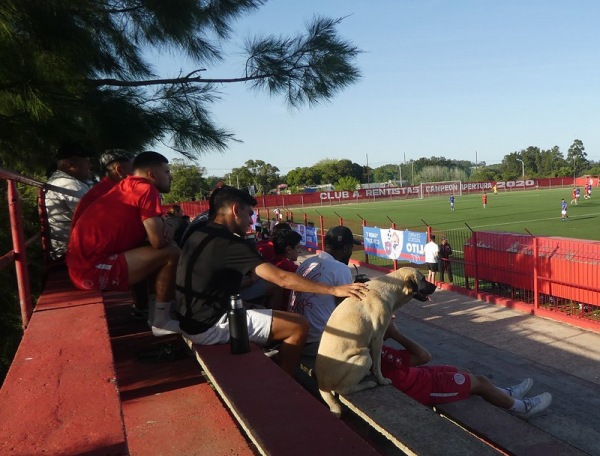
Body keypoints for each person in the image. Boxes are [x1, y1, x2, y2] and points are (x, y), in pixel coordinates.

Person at [174, 188, 367, 376]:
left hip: (191, 319)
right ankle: (285, 386)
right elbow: (281, 278)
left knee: (265, 303)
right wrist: (334, 290)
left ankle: (272, 351)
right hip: (208, 326)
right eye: (249, 214)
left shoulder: (201, 233)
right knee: (298, 326)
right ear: (235, 210)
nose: (251, 221)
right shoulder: (229, 242)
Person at [66, 151, 181, 336]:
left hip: (83, 265)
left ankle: (156, 314)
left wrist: (164, 230)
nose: (171, 177)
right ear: (152, 175)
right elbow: (158, 241)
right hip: (90, 270)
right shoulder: (146, 189)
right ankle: (161, 321)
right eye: (167, 172)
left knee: (157, 250)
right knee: (171, 252)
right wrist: (173, 224)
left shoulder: (127, 186)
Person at [380, 325, 553, 419]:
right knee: (481, 382)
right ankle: (523, 408)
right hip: (424, 388)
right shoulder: (380, 352)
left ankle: (507, 394)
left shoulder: (374, 348)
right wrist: (395, 333)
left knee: (462, 372)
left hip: (418, 376)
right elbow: (424, 356)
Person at [288, 225, 361, 356]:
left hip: (295, 336)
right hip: (319, 341)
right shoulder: (340, 268)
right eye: (351, 248)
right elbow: (348, 309)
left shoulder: (306, 263)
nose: (351, 252)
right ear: (345, 248)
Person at [45, 143, 93, 260]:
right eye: (87, 161)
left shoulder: (62, 181)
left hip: (69, 249)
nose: (90, 165)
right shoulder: (67, 184)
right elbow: (95, 218)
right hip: (73, 253)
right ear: (71, 164)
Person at [71, 149, 135, 228]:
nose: (137, 174)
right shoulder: (113, 193)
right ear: (120, 170)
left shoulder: (99, 190)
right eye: (134, 169)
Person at [268, 229, 303, 310]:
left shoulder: (268, 263)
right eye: (298, 247)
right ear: (289, 249)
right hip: (286, 312)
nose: (300, 251)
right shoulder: (291, 269)